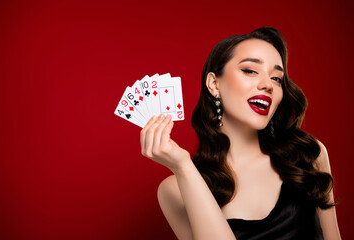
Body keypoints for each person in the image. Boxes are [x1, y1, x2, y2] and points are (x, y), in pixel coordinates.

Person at [140, 26, 341, 240]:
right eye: (250, 71)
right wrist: (183, 167)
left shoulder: (309, 154)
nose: (267, 85)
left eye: (276, 78)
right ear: (214, 84)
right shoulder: (175, 189)